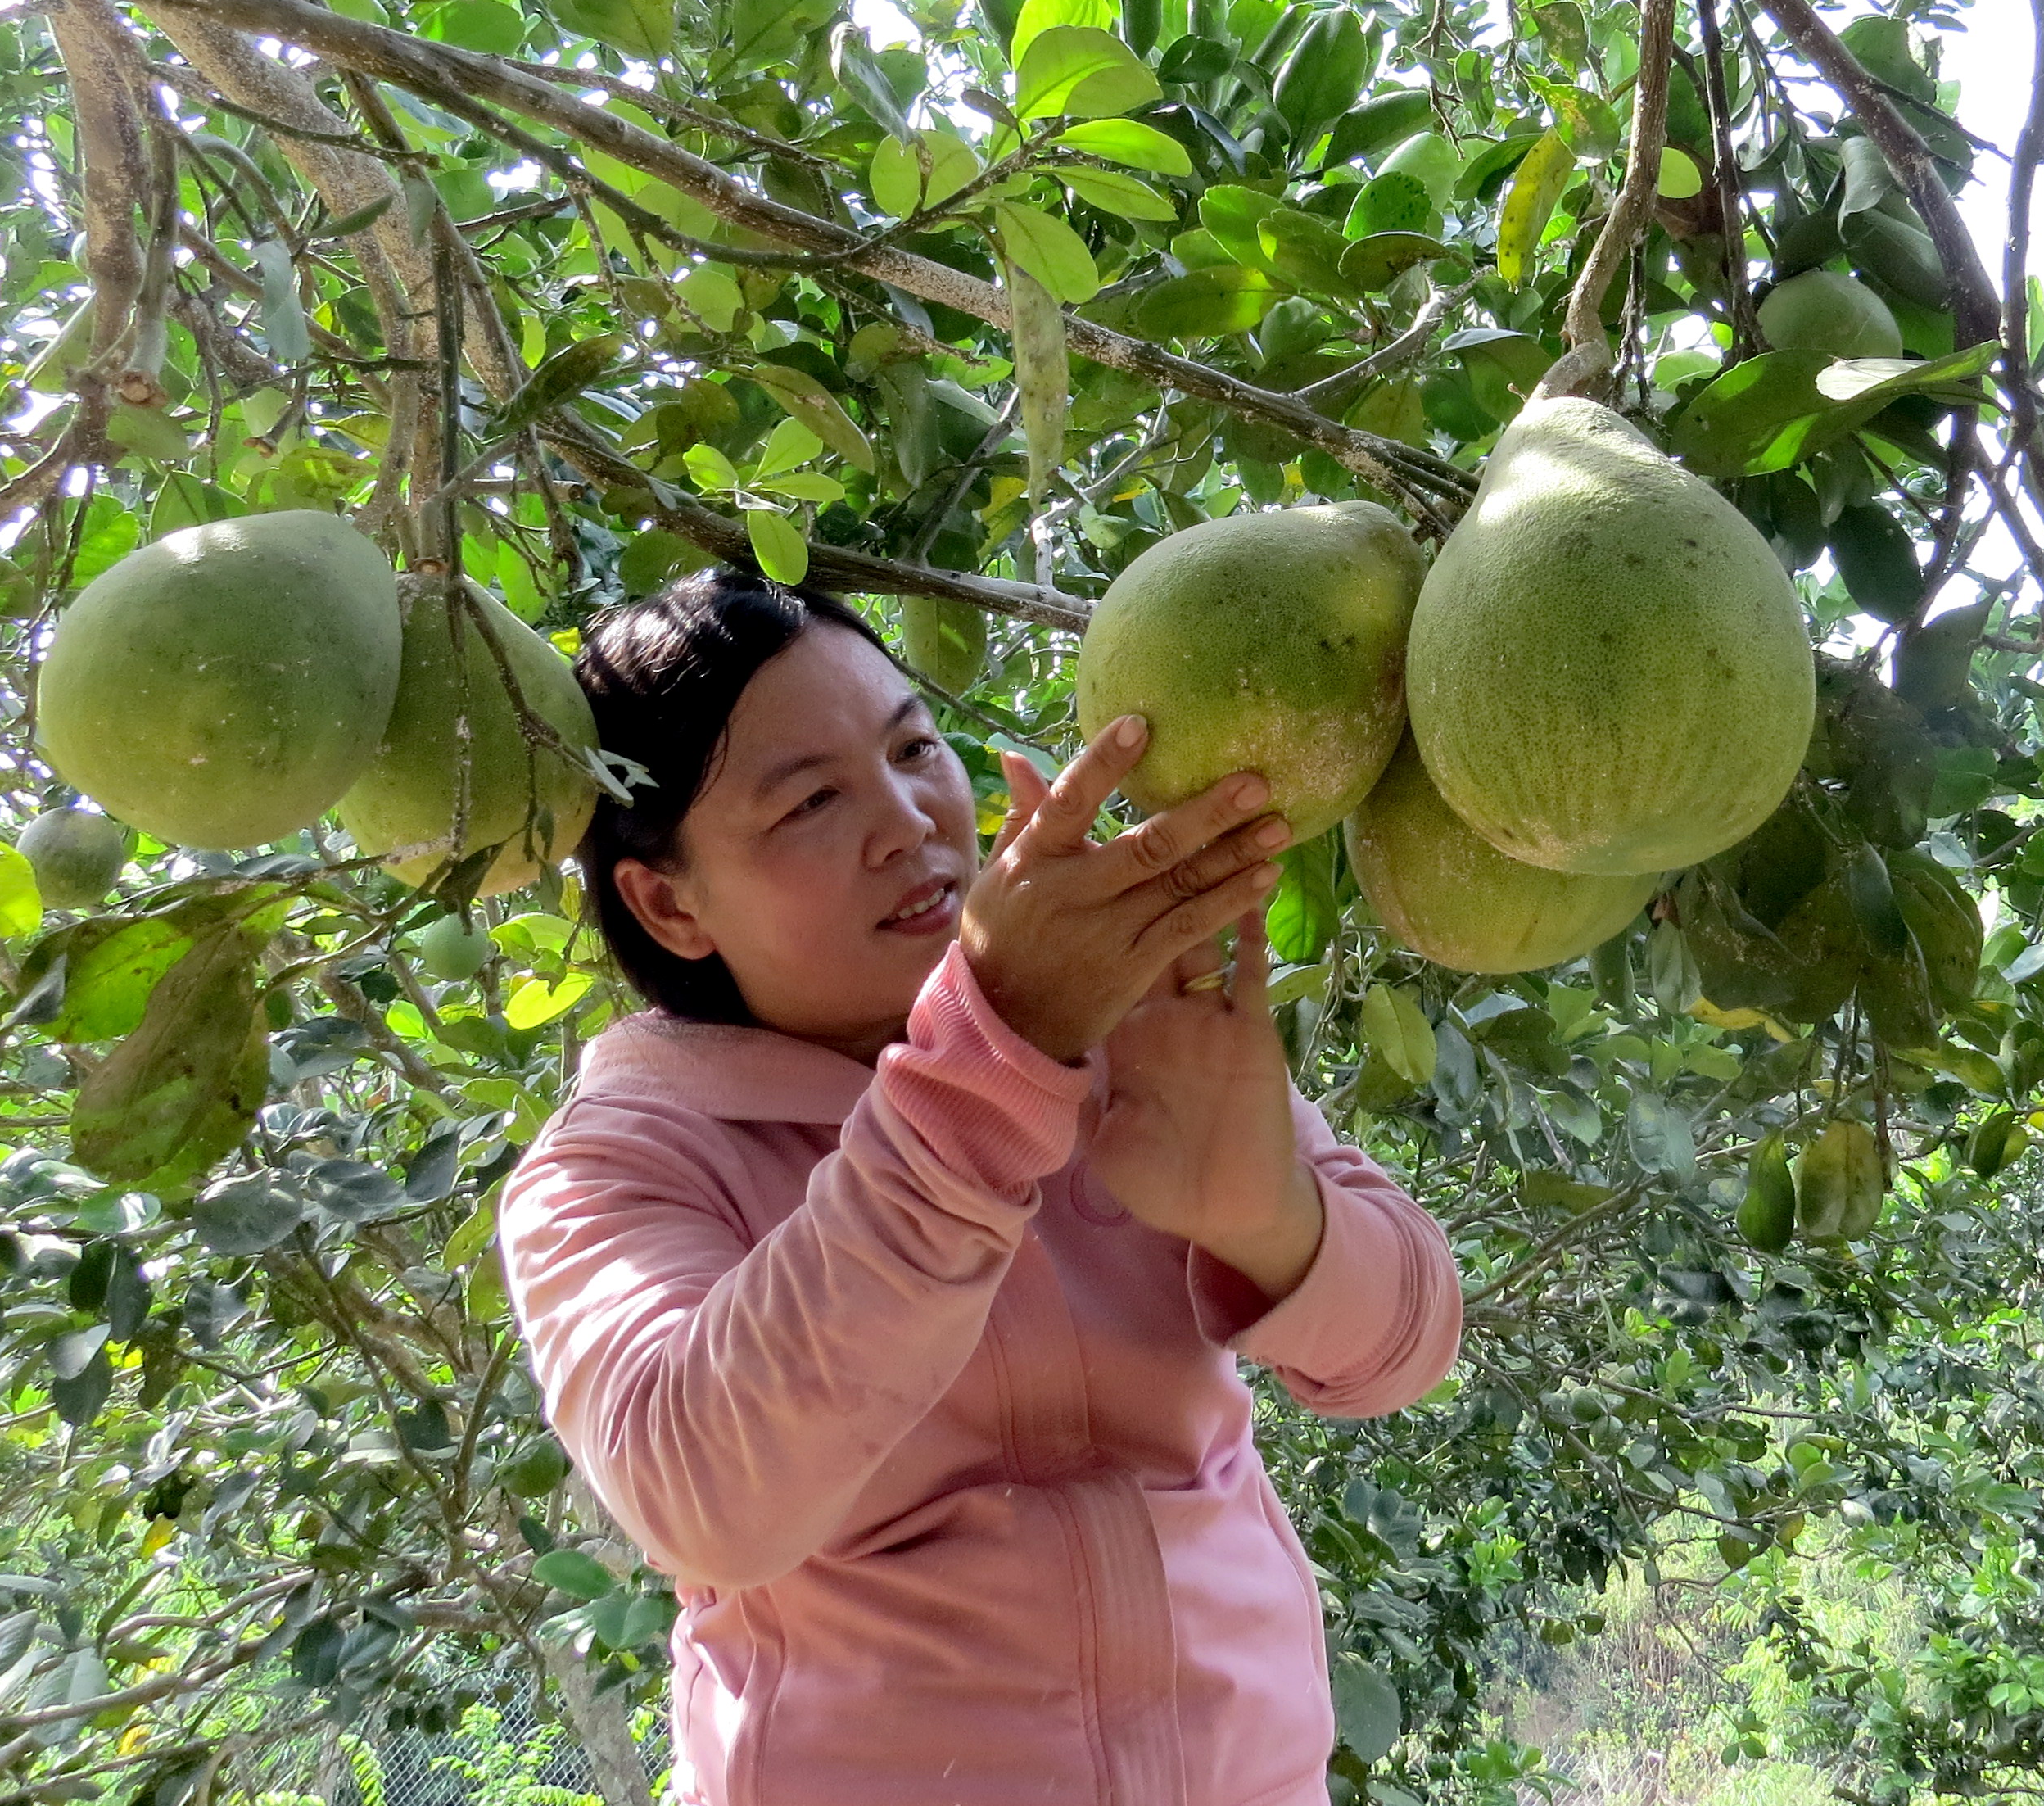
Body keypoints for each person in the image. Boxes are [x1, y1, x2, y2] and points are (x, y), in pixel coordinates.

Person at [497, 568, 1463, 1805]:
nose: (907, 820)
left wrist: (1271, 1219)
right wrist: (995, 1063)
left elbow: (1405, 1351)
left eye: (913, 748)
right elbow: (705, 1494)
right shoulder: (619, 1163)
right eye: (810, 801)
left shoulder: (1128, 1026)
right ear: (668, 902)